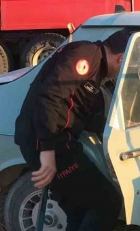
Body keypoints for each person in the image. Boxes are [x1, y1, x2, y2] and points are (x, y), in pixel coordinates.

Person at [14, 28, 132, 231]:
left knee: (79, 210)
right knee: (107, 203)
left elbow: (81, 111)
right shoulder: (85, 56)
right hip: (49, 143)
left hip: (56, 140)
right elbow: (49, 97)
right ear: (121, 59)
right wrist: (48, 152)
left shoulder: (95, 66)